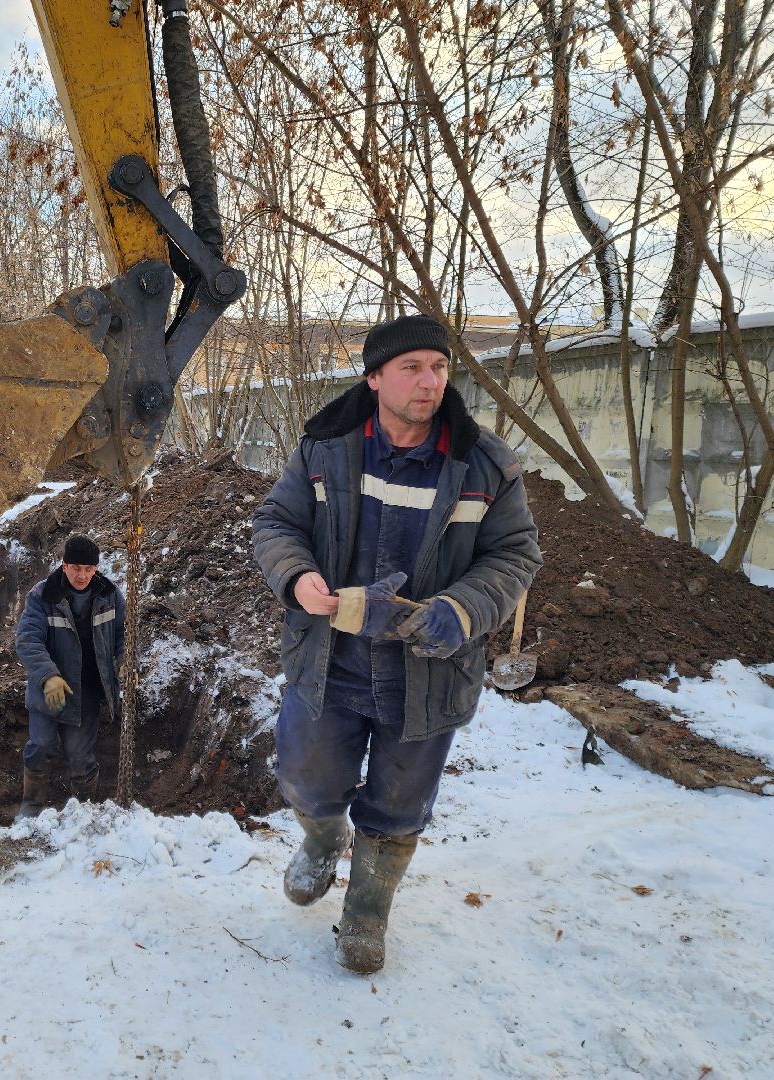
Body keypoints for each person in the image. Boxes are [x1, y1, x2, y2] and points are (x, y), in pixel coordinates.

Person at [252, 312, 541, 975]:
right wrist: (296, 576)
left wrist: (462, 609)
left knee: (399, 804)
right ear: (375, 378)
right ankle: (323, 841)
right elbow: (275, 523)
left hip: (427, 673)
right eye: (411, 367)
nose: (429, 381)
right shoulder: (325, 449)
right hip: (330, 662)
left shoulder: (485, 465)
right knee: (304, 777)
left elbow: (514, 555)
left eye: (438, 367)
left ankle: (367, 910)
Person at [14, 534, 125, 819]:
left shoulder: (110, 596)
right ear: (64, 565)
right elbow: (28, 640)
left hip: (87, 690)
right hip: (49, 689)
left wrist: (124, 664)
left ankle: (83, 812)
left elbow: (124, 636)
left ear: (96, 568)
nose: (82, 575)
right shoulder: (42, 596)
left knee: (80, 756)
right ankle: (32, 805)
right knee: (41, 746)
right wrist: (48, 676)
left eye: (88, 569)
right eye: (76, 568)